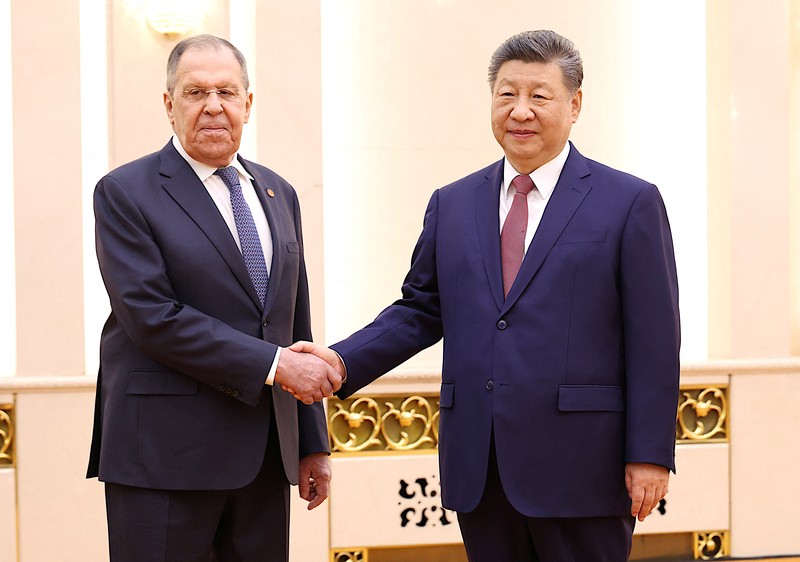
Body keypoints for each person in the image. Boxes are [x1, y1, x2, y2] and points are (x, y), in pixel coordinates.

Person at [291, 30, 680, 561]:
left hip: (584, 466)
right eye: (506, 94)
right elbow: (420, 309)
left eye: (539, 96)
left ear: (575, 104)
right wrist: (341, 359)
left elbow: (655, 340)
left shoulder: (629, 201)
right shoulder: (452, 203)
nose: (520, 111)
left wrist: (650, 454)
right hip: (482, 465)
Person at [86, 34, 342, 561]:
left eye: (227, 92)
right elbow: (152, 317)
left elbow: (294, 323)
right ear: (168, 104)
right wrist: (273, 365)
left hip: (264, 459)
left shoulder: (278, 192)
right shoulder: (125, 192)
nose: (213, 106)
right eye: (195, 92)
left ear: (248, 103)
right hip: (163, 458)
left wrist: (311, 440)